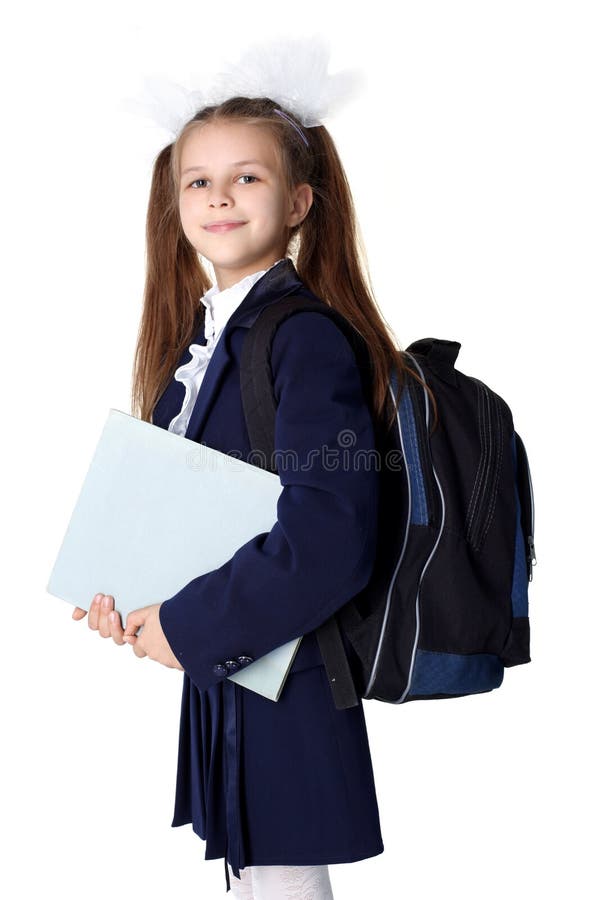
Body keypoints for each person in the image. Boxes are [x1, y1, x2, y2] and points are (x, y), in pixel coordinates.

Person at [72, 91, 412, 898]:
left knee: (283, 879)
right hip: (236, 667)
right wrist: (131, 600)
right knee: (255, 878)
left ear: (298, 201)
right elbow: (190, 510)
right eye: (197, 182)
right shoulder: (209, 337)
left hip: (284, 670)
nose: (218, 197)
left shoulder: (304, 338)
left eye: (246, 177)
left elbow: (328, 537)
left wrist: (187, 624)